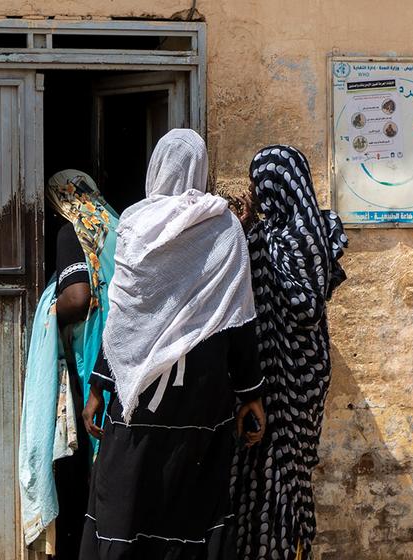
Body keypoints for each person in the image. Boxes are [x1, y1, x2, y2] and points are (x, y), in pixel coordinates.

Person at [80, 129, 266, 560]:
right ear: (199, 169)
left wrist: (98, 385)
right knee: (190, 498)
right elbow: (237, 319)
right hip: (200, 391)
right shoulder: (223, 226)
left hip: (139, 392)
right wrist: (251, 393)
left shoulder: (134, 223)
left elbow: (125, 319)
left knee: (127, 491)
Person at [229, 145, 348, 560]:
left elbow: (303, 305)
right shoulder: (314, 233)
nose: (252, 192)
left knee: (276, 473)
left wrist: (249, 235)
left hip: (285, 378)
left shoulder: (283, 241)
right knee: (286, 474)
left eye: (257, 184)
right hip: (303, 373)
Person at [18, 170, 120, 555]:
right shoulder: (122, 229)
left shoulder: (72, 232)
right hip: (130, 355)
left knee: (92, 456)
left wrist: (47, 311)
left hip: (94, 358)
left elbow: (77, 298)